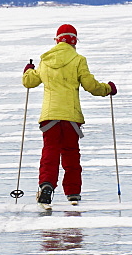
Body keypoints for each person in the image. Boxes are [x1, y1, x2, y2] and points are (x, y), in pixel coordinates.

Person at [22, 24, 116, 207]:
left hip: (49, 117)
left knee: (50, 151)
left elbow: (29, 82)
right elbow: (91, 86)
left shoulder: (45, 60)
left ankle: (46, 186)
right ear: (74, 41)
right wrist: (108, 89)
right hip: (71, 117)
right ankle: (73, 193)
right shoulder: (78, 60)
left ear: (57, 39)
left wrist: (27, 70)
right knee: (71, 154)